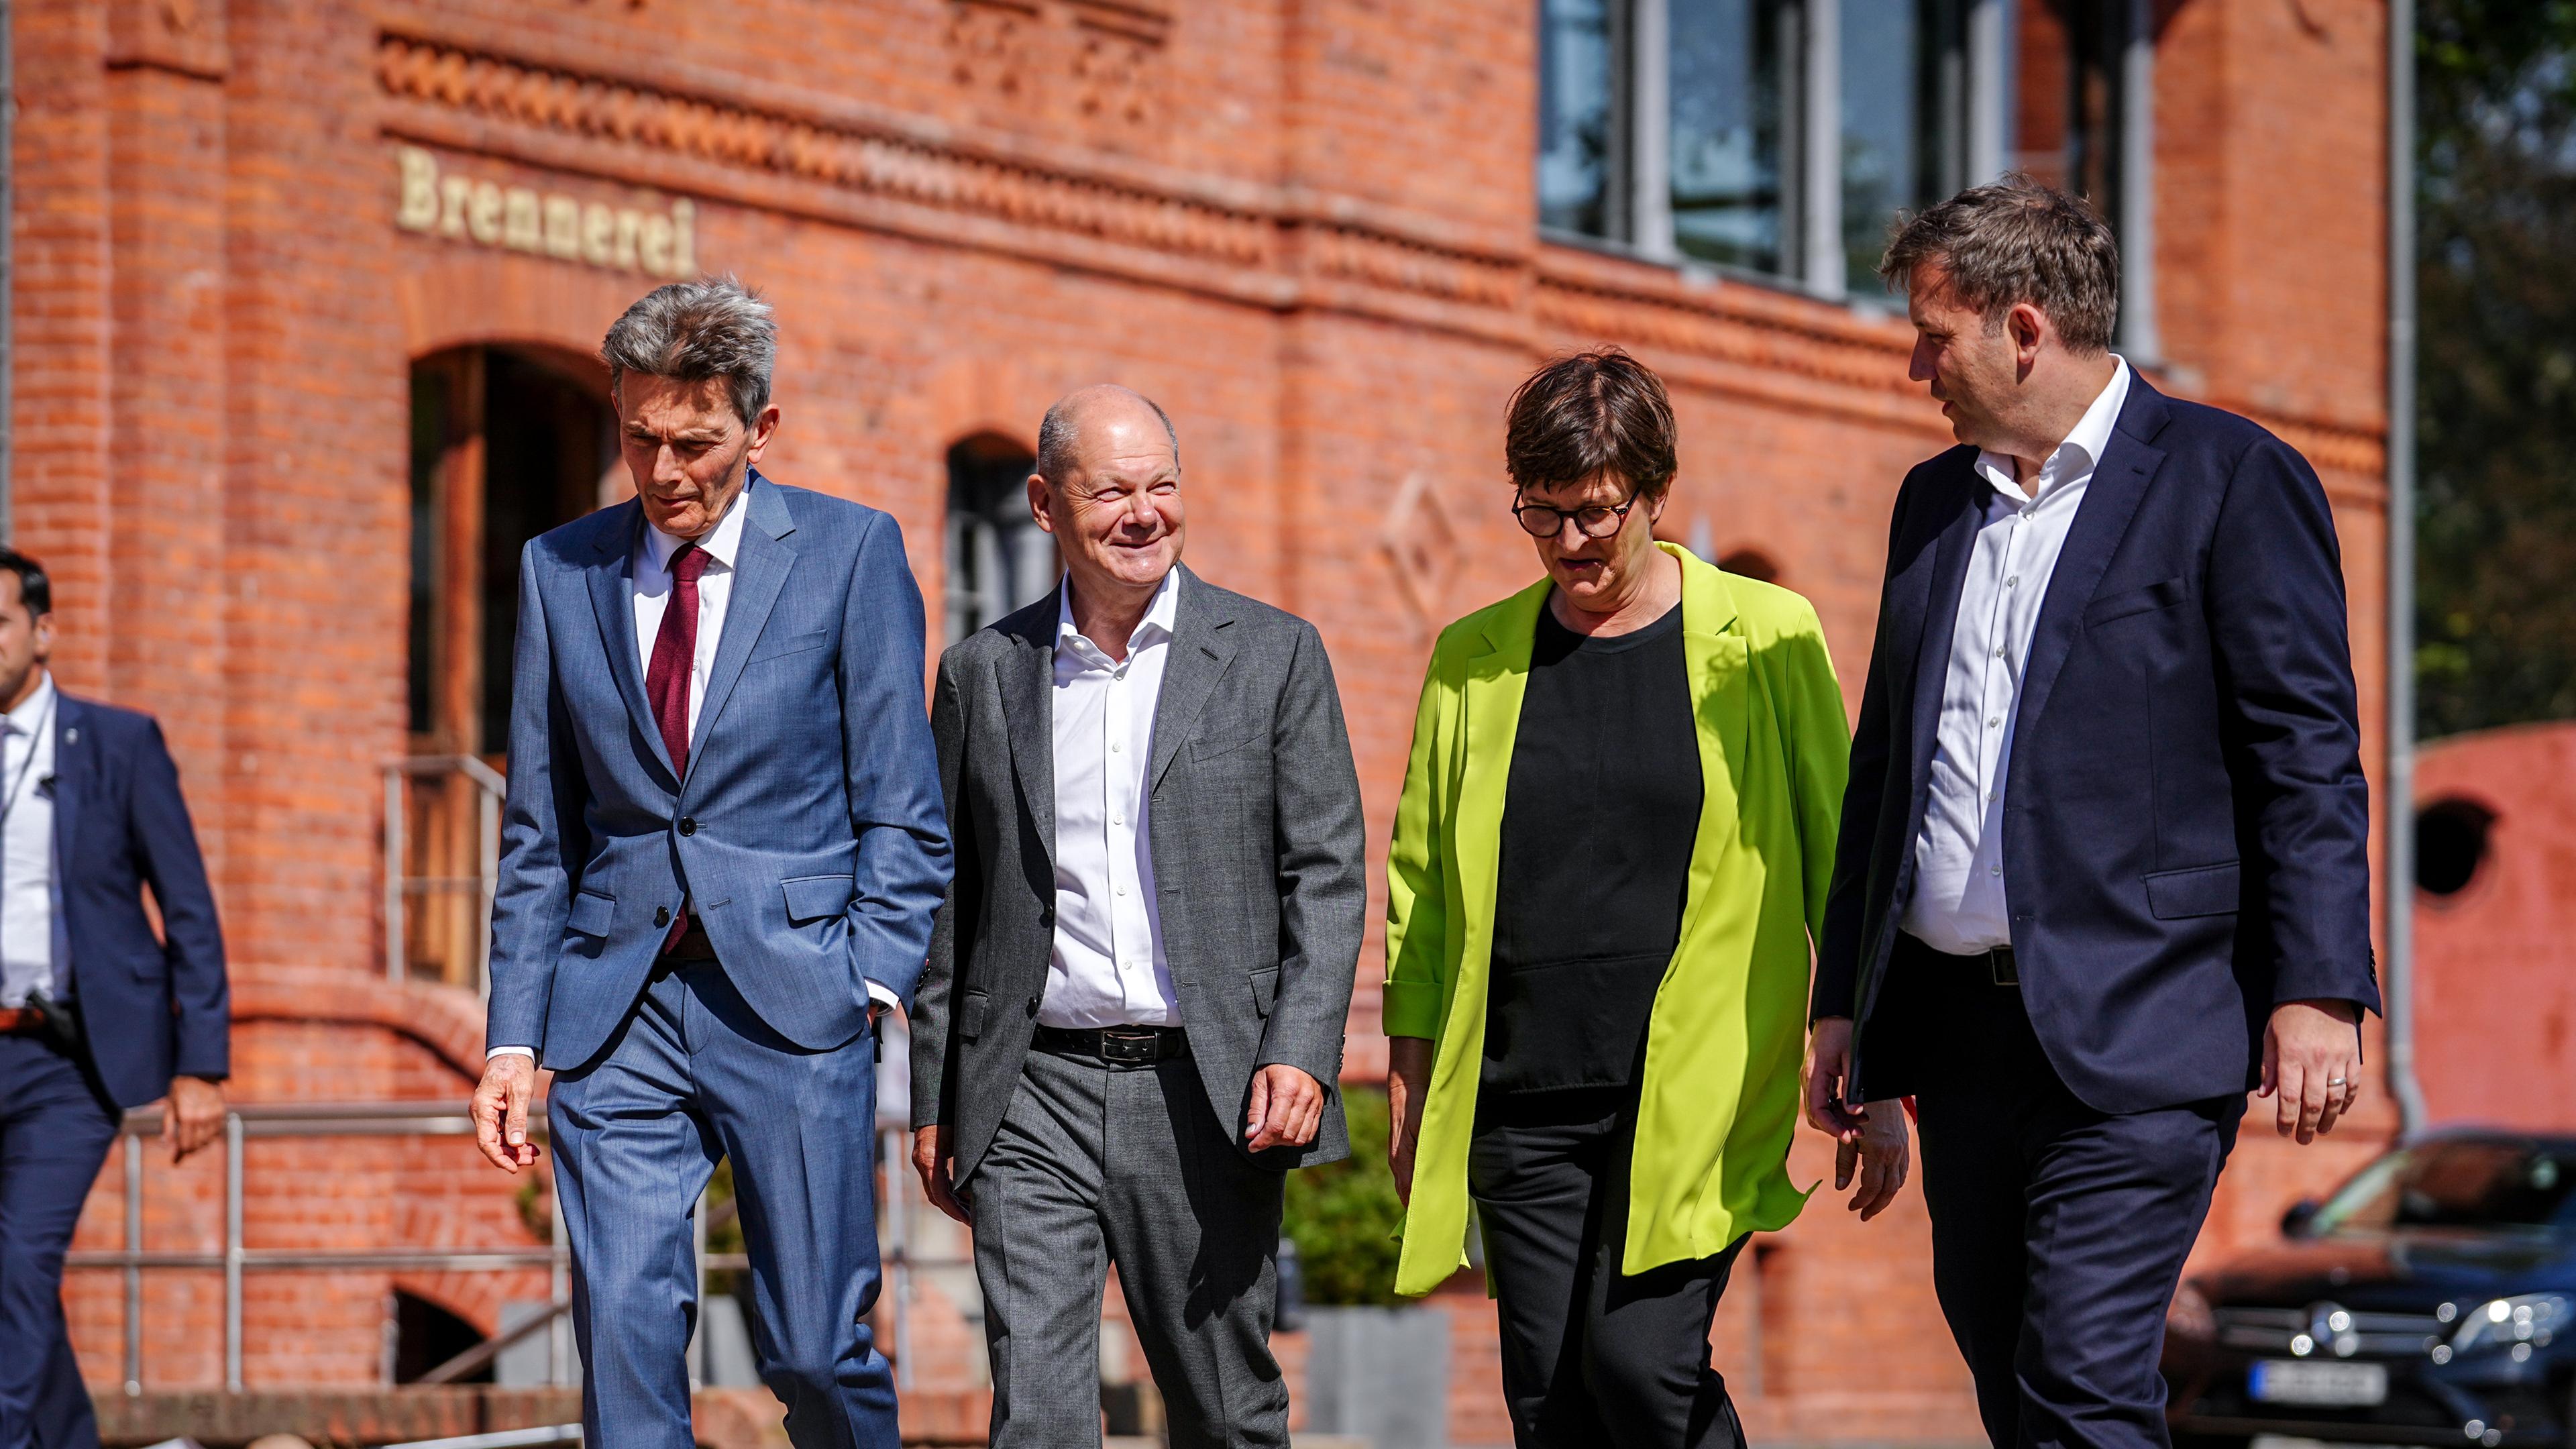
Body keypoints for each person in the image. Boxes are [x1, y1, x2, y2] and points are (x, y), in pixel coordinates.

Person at [1808, 179, 2379, 1448]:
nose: (1915, 367)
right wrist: (1846, 996)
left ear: (2022, 328)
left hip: (2146, 1025)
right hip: (1957, 1037)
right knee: (2010, 1375)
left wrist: (2321, 985)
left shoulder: (2232, 480)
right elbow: (1888, 767)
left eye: (1932, 334)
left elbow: (2305, 751)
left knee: (2082, 1379)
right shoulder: (1931, 505)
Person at [469, 278, 951, 1449]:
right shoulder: (559, 569)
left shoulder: (849, 555)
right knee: (625, 1342)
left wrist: (868, 981)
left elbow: (905, 809)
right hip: (615, 1006)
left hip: (793, 1002)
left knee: (814, 1347)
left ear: (760, 429)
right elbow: (541, 830)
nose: (666, 469)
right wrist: (513, 1038)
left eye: (697, 442)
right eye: (641, 437)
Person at [1381, 349, 1894, 1449]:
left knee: (1641, 1370)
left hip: (1694, 1089)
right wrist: (1412, 1069)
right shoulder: (1473, 658)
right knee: (1549, 1401)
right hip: (1519, 1095)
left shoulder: (1767, 638)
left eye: (1598, 514)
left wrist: (1869, 1052)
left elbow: (1841, 859)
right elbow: (1422, 885)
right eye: (1542, 514)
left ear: (1657, 492)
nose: (1570, 543)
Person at [908, 384, 1366, 1449]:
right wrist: (935, 1095)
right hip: (1032, 1091)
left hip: (1206, 1092)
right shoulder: (982, 675)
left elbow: (1329, 872)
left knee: (1224, 1412)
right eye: (1112, 490)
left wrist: (1300, 1050)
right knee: (1039, 1416)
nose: (1144, 512)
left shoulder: (1272, 655)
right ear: (1043, 504)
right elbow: (952, 896)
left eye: (1163, 486)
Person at [0, 549, 229, 1449]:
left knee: (19, 1260)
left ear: (42, 632)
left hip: (69, 1057)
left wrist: (202, 1065)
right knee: (11, 1280)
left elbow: (189, 913)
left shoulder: (119, 745)